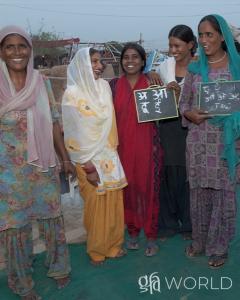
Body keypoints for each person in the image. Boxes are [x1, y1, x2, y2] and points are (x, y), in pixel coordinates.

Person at [0, 26, 75, 300]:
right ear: (1, 51)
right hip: (7, 173)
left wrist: (64, 157)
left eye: (22, 46)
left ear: (30, 50)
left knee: (52, 216)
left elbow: (54, 122)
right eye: (10, 46)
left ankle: (59, 266)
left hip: (43, 166)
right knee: (14, 226)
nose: (17, 52)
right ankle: (21, 281)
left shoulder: (40, 82)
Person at [179, 14, 240, 268]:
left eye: (209, 34)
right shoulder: (194, 68)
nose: (203, 40)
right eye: (200, 35)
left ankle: (219, 247)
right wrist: (189, 113)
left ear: (222, 36)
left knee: (224, 196)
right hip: (199, 142)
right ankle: (200, 241)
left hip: (228, 144)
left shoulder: (236, 68)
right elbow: (184, 103)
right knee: (199, 195)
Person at [62, 47, 127, 266]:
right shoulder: (72, 93)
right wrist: (87, 165)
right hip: (87, 159)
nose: (99, 66)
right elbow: (72, 131)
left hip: (109, 154)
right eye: (94, 62)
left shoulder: (104, 87)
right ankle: (97, 249)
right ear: (81, 65)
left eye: (100, 62)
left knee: (114, 203)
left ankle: (114, 244)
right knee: (96, 206)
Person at [110, 43, 163, 256]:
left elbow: (165, 109)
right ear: (121, 61)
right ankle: (132, 231)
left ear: (143, 61)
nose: (130, 61)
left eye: (135, 57)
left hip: (147, 147)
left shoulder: (151, 82)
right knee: (127, 191)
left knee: (148, 190)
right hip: (121, 148)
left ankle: (151, 236)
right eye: (126, 57)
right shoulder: (112, 85)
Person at [154, 25, 197, 240]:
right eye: (170, 45)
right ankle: (168, 224)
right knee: (168, 173)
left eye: (177, 45)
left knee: (188, 176)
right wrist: (152, 76)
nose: (173, 50)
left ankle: (188, 224)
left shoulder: (200, 67)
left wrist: (182, 93)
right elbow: (154, 88)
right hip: (168, 127)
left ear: (190, 44)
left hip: (191, 128)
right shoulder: (164, 67)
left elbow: (203, 100)